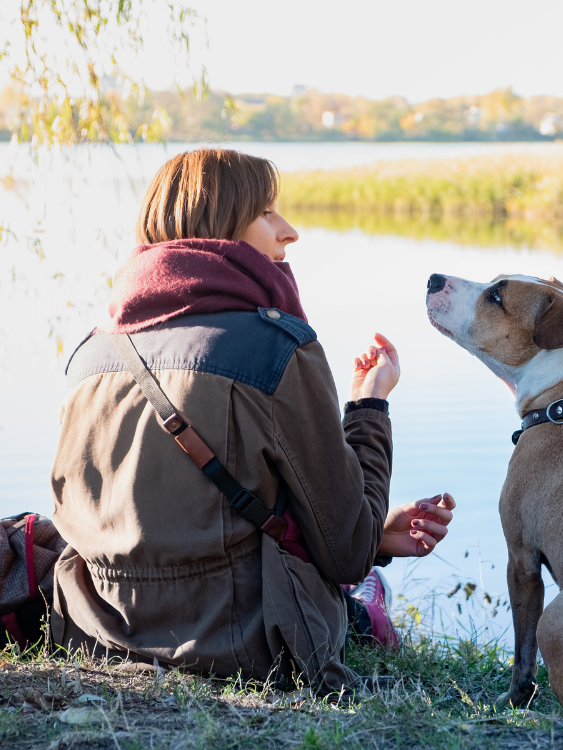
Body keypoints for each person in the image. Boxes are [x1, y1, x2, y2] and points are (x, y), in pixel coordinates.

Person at [49, 148, 455, 694]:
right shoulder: (276, 349)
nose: (289, 232)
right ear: (217, 227)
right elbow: (349, 552)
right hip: (246, 648)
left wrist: (375, 534)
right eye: (266, 213)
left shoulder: (91, 356)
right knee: (364, 581)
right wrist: (369, 407)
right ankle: (367, 618)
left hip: (97, 635)